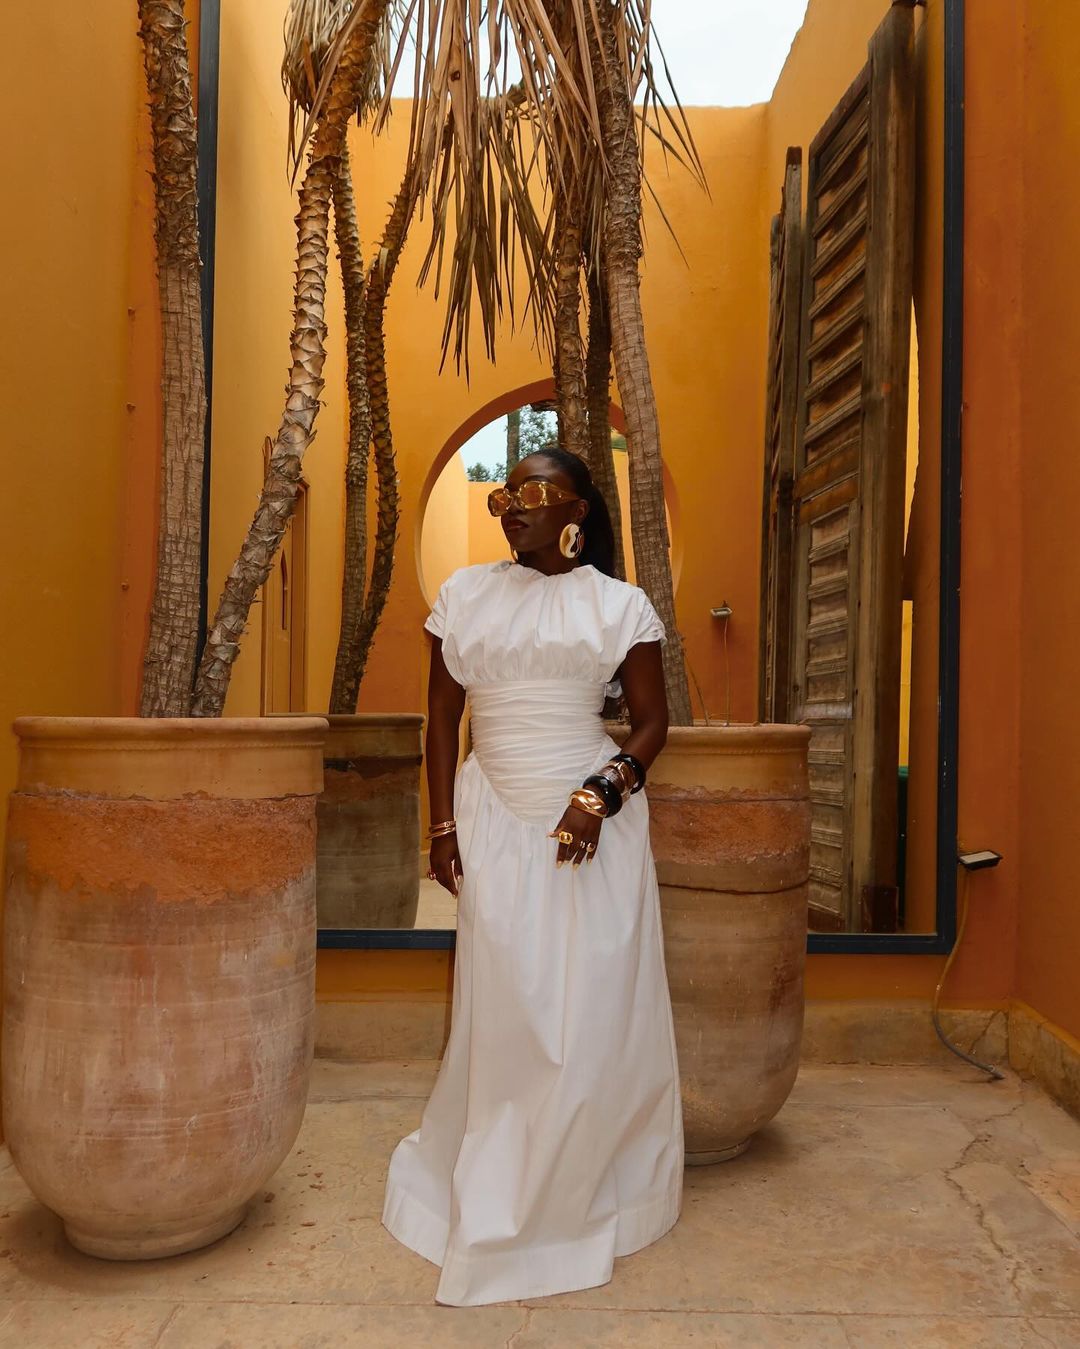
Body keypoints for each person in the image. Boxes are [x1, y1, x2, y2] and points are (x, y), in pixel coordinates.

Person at [381, 447, 683, 1306]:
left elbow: (652, 723)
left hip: (588, 831)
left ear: (578, 510)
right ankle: (498, 1165)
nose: (514, 505)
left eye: (536, 492)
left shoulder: (619, 606)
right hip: (493, 818)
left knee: (588, 1006)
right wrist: (442, 824)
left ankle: (586, 1179)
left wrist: (601, 793)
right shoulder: (464, 597)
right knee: (508, 1002)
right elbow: (443, 719)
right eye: (505, 493)